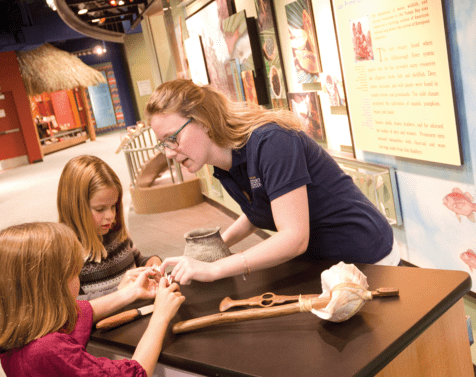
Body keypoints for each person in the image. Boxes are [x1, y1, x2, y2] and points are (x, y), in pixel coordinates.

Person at [146, 79, 400, 285]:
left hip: (365, 258)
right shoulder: (226, 164)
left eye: (173, 138)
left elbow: (294, 238)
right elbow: (260, 208)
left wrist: (217, 269)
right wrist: (211, 250)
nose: (169, 152)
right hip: (322, 266)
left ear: (202, 121)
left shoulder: (272, 142)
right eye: (163, 144)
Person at [0, 222, 185, 377]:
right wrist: (160, 315)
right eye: (74, 273)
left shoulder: (20, 331)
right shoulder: (47, 351)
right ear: (53, 285)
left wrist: (130, 292)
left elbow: (77, 312)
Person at [58, 155, 162, 300]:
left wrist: (152, 262)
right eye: (100, 209)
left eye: (113, 206)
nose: (111, 216)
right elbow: (76, 308)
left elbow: (137, 260)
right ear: (75, 207)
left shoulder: (115, 232)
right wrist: (119, 292)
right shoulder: (64, 252)